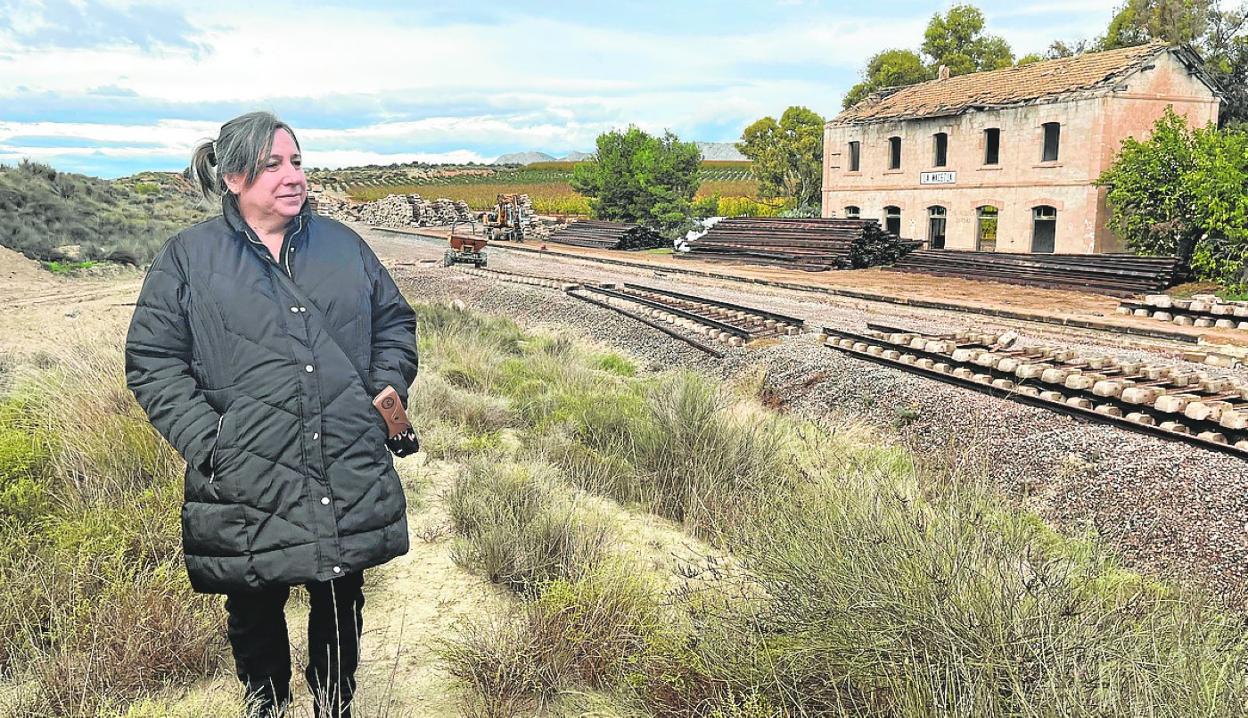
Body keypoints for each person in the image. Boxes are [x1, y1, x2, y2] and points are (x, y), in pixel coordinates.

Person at [124, 111, 419, 718]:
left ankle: (335, 702)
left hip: (342, 457)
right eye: (272, 165)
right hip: (243, 472)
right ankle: (268, 705)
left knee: (340, 594)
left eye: (298, 161)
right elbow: (153, 360)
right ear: (233, 176)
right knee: (253, 602)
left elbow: (395, 322)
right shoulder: (187, 258)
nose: (293, 176)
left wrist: (382, 393)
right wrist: (212, 443)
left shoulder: (344, 246)